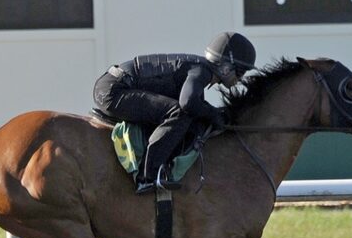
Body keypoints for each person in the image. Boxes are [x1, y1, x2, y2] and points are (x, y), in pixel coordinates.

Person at [93, 32, 256, 194]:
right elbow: (188, 103)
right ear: (226, 67)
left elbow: (196, 106)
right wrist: (214, 115)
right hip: (113, 91)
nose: (240, 79)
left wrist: (216, 114)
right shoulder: (201, 71)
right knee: (178, 113)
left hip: (113, 86)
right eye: (241, 72)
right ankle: (147, 177)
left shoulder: (199, 70)